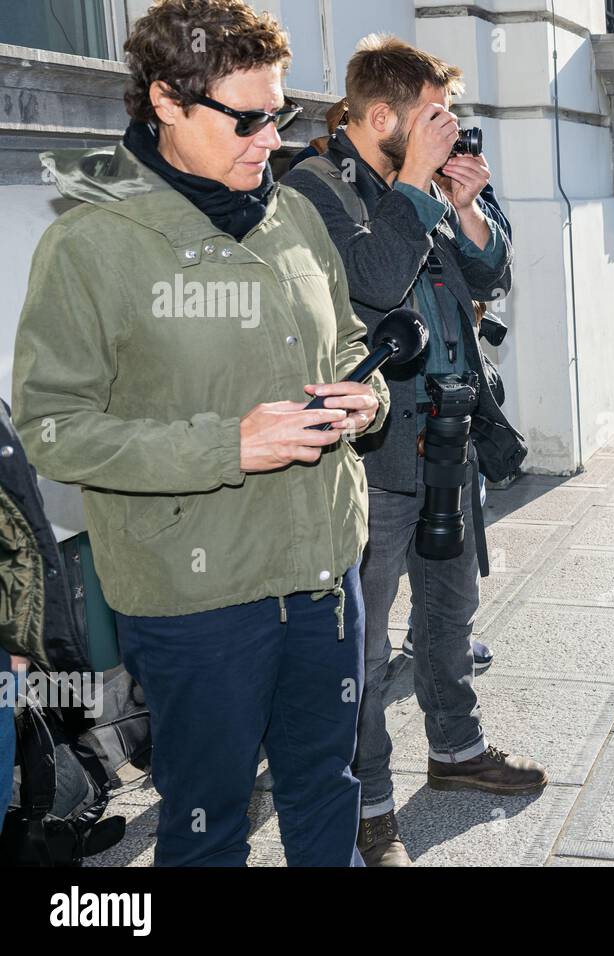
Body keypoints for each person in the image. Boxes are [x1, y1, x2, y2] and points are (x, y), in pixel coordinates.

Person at [12, 0, 388, 866]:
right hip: (198, 599)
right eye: (247, 117)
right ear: (167, 104)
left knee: (326, 783)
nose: (271, 137)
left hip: (326, 569)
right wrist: (225, 446)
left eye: (280, 113)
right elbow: (53, 429)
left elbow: (352, 344)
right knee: (207, 820)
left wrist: (369, 402)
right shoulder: (89, 240)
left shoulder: (294, 212)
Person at [282, 34, 545, 868]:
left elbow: (491, 271)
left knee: (448, 611)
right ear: (384, 115)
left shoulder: (421, 181)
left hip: (450, 435)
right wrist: (413, 189)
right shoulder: (311, 188)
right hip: (374, 451)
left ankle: (457, 751)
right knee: (361, 641)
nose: (451, 131)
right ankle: (369, 802)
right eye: (437, 116)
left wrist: (466, 205)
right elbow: (371, 279)